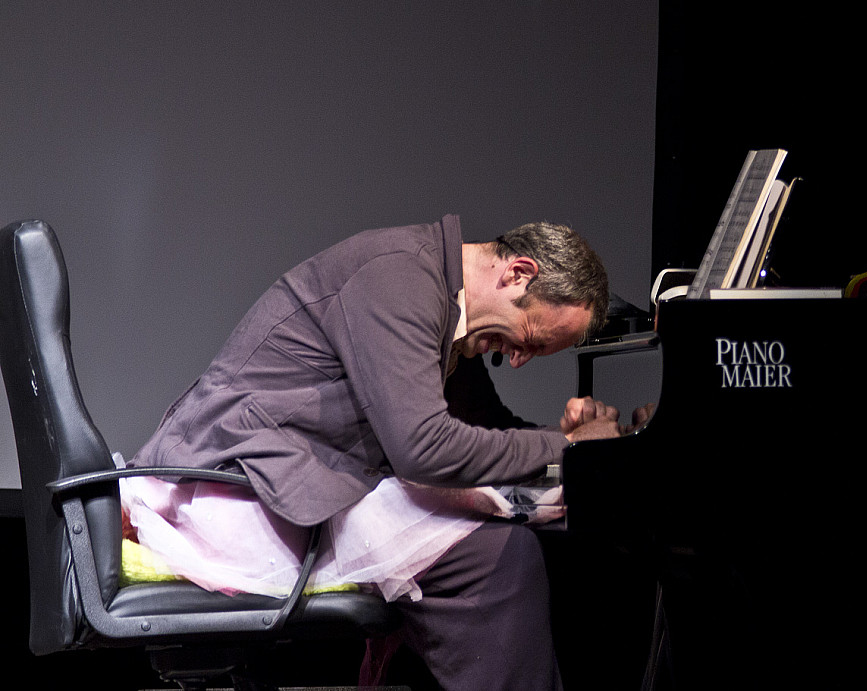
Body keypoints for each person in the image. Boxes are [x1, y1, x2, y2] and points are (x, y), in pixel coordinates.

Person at [125, 213, 643, 690]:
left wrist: (584, 447)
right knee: (497, 557)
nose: (519, 359)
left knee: (563, 531)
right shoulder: (400, 280)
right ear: (517, 275)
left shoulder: (445, 303)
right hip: (240, 484)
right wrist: (567, 447)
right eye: (529, 339)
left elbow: (484, 431)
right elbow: (425, 449)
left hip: (300, 479)